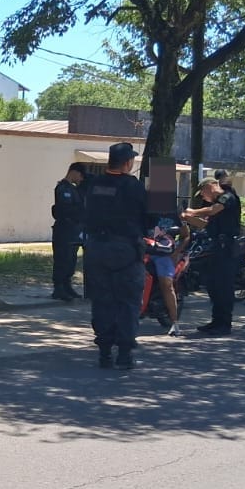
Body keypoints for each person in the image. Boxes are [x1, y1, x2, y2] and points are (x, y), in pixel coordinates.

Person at [81, 142, 155, 369]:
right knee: (128, 303)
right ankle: (124, 354)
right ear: (128, 163)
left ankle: (104, 353)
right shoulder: (133, 186)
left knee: (102, 301)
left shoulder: (93, 184)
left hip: (96, 250)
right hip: (126, 252)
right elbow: (150, 218)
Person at [182, 173, 242, 335]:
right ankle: (216, 321)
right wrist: (186, 218)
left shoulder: (227, 197)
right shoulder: (215, 204)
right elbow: (206, 225)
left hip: (227, 247)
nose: (202, 196)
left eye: (202, 192)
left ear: (210, 186)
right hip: (216, 247)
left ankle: (225, 324)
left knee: (224, 286)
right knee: (213, 285)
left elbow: (213, 210)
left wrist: (193, 212)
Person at [50, 161, 88, 300]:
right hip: (64, 229)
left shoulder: (74, 189)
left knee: (71, 260)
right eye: (81, 176)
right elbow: (65, 209)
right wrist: (80, 210)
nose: (81, 179)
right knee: (62, 259)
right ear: (74, 172)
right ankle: (59, 287)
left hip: (73, 230)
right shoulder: (63, 188)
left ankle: (67, 285)